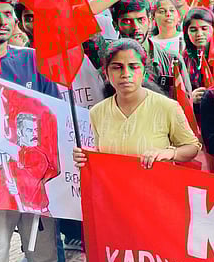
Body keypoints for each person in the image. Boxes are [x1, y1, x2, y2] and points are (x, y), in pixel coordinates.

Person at [0, 0, 89, 262]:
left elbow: (51, 118)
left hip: (31, 185)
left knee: (43, 256)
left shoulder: (33, 60)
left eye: (6, 14)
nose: (0, 21)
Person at [72, 39, 200, 169]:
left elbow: (192, 147)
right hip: (115, 188)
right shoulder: (97, 112)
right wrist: (87, 155)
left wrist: (169, 153)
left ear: (144, 71)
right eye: (117, 67)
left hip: (155, 187)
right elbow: (102, 153)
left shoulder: (167, 107)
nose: (126, 74)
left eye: (133, 67)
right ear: (106, 72)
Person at [110, 0, 190, 95]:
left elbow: (186, 102)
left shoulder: (172, 59)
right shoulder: (109, 61)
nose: (136, 27)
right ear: (115, 25)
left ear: (150, 21)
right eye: (127, 21)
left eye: (141, 20)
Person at [181, 8, 214, 102]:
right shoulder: (184, 57)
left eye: (204, 28)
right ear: (186, 33)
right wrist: (190, 97)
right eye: (193, 30)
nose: (199, 34)